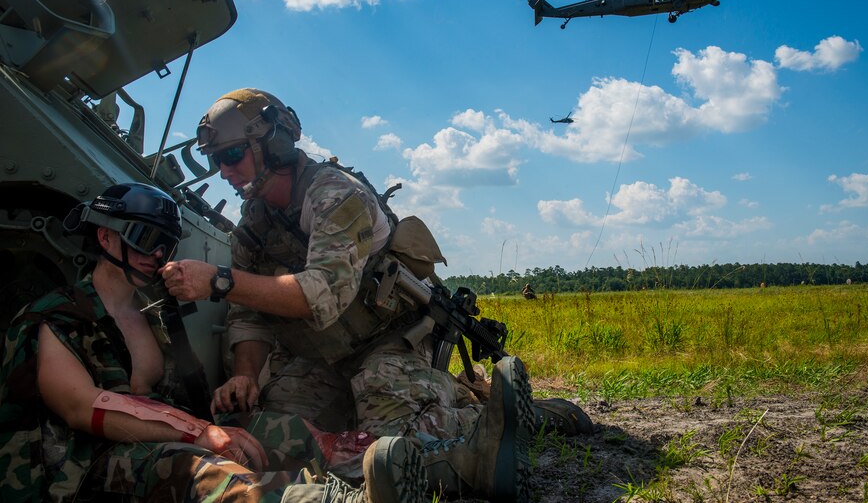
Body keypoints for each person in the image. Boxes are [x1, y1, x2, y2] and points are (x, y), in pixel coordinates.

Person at [162, 88, 543, 501]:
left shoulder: (335, 195)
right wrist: (245, 374)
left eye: (232, 155)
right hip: (322, 359)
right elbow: (247, 316)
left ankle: (489, 412)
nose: (223, 171)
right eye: (215, 159)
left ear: (272, 143)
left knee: (390, 435)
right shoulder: (253, 225)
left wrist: (221, 279)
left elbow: (320, 294)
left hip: (388, 342)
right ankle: (393, 427)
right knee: (274, 437)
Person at [0, 182, 426, 503]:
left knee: (286, 429)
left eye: (165, 245)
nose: (156, 255)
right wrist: (201, 433)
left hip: (146, 442)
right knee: (200, 470)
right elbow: (81, 407)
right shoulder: (56, 317)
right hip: (76, 467)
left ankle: (419, 464)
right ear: (105, 237)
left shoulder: (157, 318)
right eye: (146, 239)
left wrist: (219, 416)